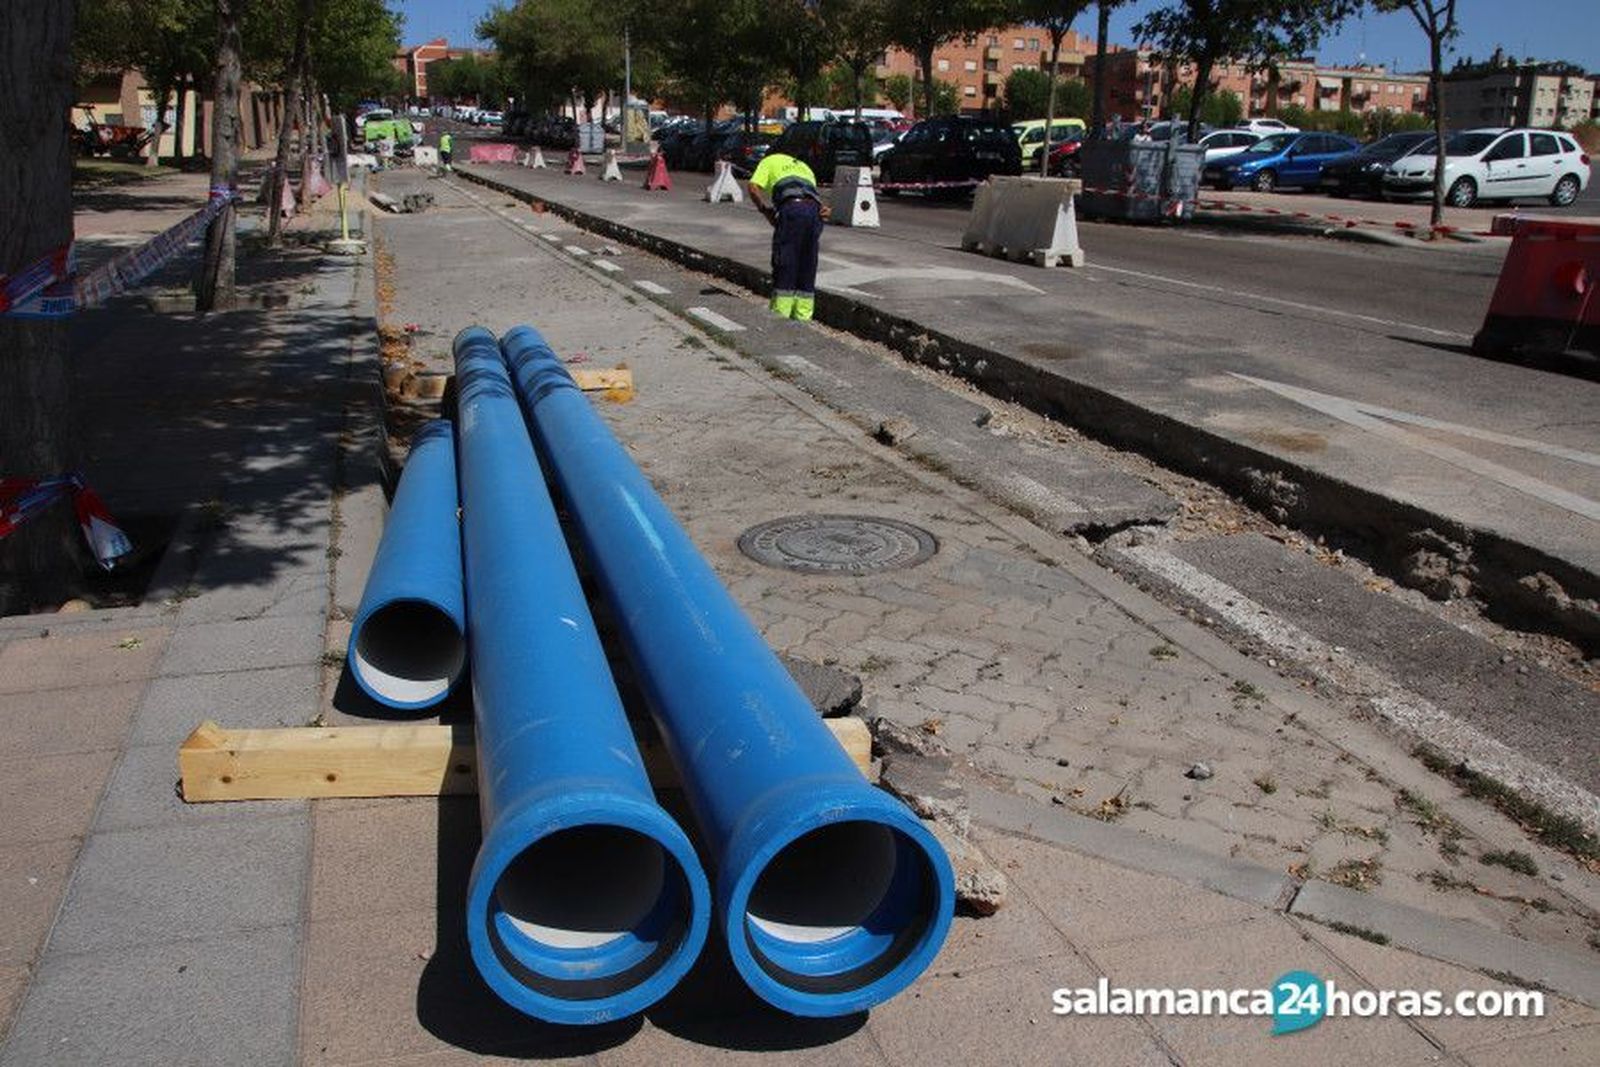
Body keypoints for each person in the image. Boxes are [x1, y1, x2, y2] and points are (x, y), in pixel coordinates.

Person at [746, 148, 830, 321]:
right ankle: (803, 316)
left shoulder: (768, 161)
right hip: (814, 212)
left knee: (786, 261)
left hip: (792, 210)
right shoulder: (804, 167)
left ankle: (780, 316)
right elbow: (816, 200)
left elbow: (753, 187)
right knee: (807, 262)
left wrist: (765, 210)